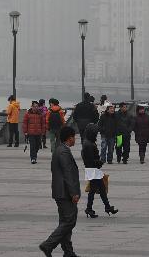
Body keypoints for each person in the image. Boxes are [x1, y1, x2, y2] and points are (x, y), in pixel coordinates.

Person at [39, 126, 81, 257]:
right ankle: (48, 244)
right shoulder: (63, 152)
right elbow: (67, 173)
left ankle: (68, 252)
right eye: (74, 137)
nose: (75, 139)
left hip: (60, 192)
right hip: (65, 193)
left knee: (65, 222)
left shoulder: (60, 150)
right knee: (69, 221)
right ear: (70, 138)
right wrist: (74, 192)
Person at [81, 123, 117, 218]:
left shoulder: (88, 142)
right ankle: (91, 208)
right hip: (92, 169)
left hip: (92, 169)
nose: (96, 134)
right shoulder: (88, 144)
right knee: (95, 190)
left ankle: (106, 207)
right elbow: (90, 159)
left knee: (101, 189)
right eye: (95, 132)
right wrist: (99, 162)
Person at [23, 100, 47, 164]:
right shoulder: (27, 114)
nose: (36, 108)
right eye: (34, 106)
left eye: (37, 106)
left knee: (37, 146)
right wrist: (25, 132)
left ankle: (34, 154)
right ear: (32, 106)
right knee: (32, 146)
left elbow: (43, 123)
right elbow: (25, 123)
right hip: (31, 133)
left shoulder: (40, 114)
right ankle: (33, 158)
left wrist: (43, 131)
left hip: (38, 133)